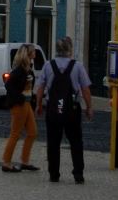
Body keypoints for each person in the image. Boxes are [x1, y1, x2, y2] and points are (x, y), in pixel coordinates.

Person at [35, 36, 94, 184]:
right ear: (70, 51)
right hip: (72, 110)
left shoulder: (48, 66)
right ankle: (78, 172)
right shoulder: (77, 66)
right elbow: (85, 89)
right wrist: (89, 106)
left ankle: (54, 174)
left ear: (56, 50)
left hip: (52, 110)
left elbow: (41, 87)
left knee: (53, 142)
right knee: (76, 141)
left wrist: (38, 105)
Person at [1, 44, 39, 173]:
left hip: (27, 103)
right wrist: (20, 98)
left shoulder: (28, 68)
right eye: (33, 51)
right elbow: (8, 85)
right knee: (15, 134)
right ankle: (7, 162)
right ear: (28, 54)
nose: (35, 53)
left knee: (32, 132)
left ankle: (25, 161)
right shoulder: (19, 69)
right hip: (19, 104)